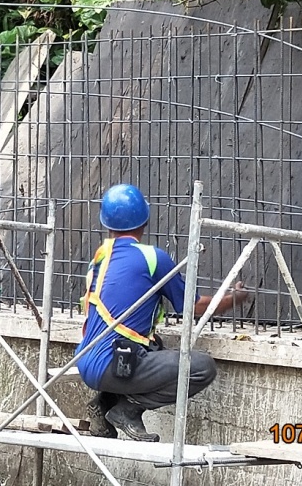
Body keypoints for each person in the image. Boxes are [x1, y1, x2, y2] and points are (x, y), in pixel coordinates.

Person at [76, 184, 248, 442]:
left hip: (85, 359)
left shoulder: (100, 258)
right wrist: (234, 298)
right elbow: (194, 307)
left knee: (155, 345)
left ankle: (103, 403)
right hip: (112, 364)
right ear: (145, 219)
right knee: (201, 368)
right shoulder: (152, 258)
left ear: (106, 223)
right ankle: (126, 410)